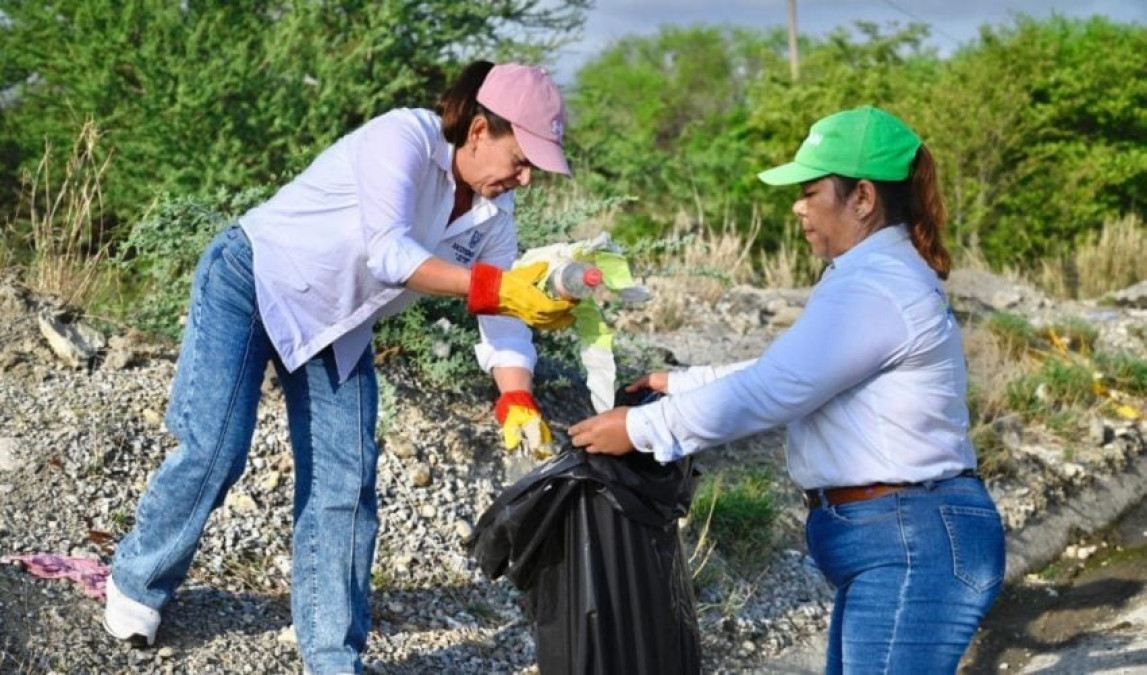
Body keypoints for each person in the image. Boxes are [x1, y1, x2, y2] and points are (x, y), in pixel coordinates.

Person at [103, 61, 577, 674]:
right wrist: (496, 286)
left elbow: (503, 319)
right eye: (522, 159)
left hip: (337, 325)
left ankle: (331, 656)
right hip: (254, 279)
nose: (527, 178)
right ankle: (138, 582)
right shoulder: (402, 136)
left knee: (346, 482)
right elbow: (389, 252)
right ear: (481, 129)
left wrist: (517, 396)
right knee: (216, 447)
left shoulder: (495, 216)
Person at [569, 106, 1006, 673]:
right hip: (901, 538)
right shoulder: (866, 277)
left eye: (810, 190)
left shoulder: (878, 286)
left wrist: (641, 429)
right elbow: (800, 369)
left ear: (863, 198)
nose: (798, 206)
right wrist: (678, 383)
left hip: (912, 541)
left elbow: (778, 389)